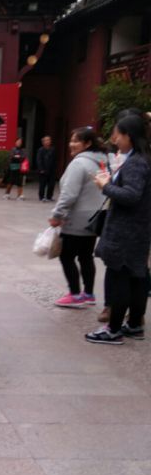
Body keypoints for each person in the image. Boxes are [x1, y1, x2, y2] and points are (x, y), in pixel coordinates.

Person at [86, 114, 151, 344]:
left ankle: (113, 330)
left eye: (118, 134)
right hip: (138, 230)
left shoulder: (135, 163)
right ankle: (134, 325)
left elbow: (131, 195)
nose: (115, 139)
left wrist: (105, 186)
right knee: (136, 277)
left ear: (128, 136)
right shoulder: (143, 159)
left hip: (126, 231)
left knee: (120, 277)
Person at [48, 127, 106, 308]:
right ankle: (88, 293)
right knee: (86, 256)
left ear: (87, 144)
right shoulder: (103, 162)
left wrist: (57, 215)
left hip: (77, 219)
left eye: (76, 141)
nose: (71, 144)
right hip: (95, 219)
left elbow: (69, 195)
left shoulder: (79, 164)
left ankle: (75, 294)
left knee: (66, 256)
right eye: (71, 140)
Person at [36, 135, 56, 201]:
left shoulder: (53, 149)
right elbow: (39, 160)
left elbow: (54, 159)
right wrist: (41, 169)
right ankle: (41, 197)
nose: (48, 141)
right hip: (43, 170)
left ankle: (49, 196)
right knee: (42, 184)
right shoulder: (41, 150)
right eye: (46, 140)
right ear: (43, 142)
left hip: (51, 170)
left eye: (49, 140)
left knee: (51, 184)